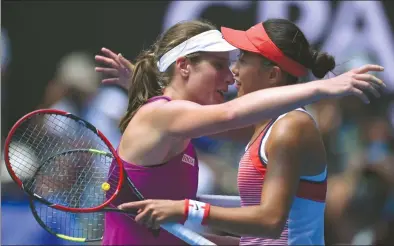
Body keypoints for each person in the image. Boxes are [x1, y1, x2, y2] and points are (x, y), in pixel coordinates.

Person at [95, 19, 384, 245]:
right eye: (219, 64)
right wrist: (320, 88)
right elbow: (229, 114)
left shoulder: (286, 126)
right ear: (183, 66)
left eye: (239, 60)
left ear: (272, 74)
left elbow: (234, 117)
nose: (231, 72)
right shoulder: (165, 115)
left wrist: (187, 210)